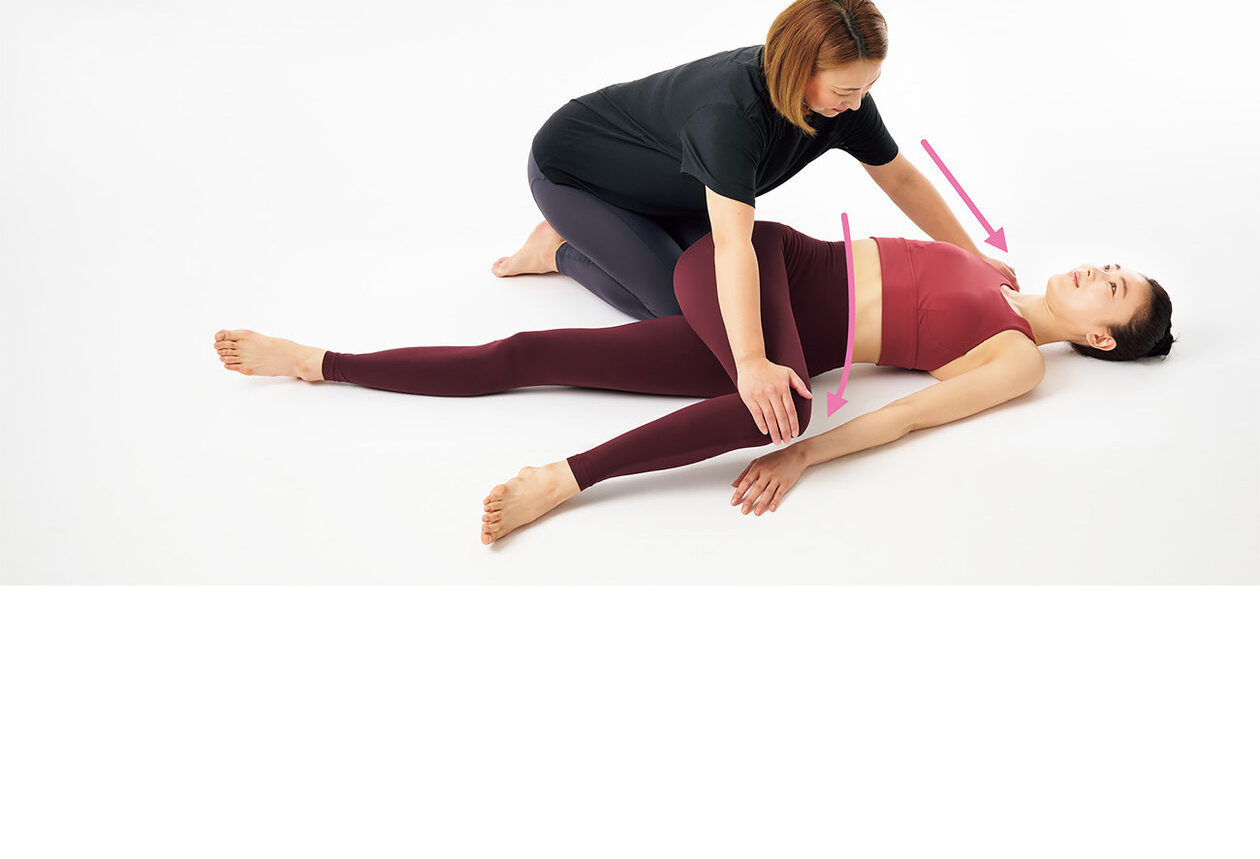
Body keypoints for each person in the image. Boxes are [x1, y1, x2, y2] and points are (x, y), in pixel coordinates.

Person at [213, 222, 1174, 545]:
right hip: (763, 264)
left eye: (1114, 288)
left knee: (535, 353)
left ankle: (318, 362)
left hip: (755, 338)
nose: (1099, 269)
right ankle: (571, 478)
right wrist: (789, 423)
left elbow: (910, 418)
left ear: (1099, 337)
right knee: (781, 397)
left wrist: (801, 459)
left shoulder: (1016, 356)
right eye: (1111, 265)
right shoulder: (997, 268)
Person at [491, 0, 1015, 450]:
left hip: (670, 191)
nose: (858, 105)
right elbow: (733, 244)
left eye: (868, 87)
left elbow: (900, 179)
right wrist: (751, 364)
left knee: (711, 295)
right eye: (844, 91)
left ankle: (580, 243)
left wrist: (972, 256)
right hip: (575, 176)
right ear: (799, 69)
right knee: (684, 310)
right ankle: (558, 249)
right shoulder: (731, 115)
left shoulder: (844, 108)